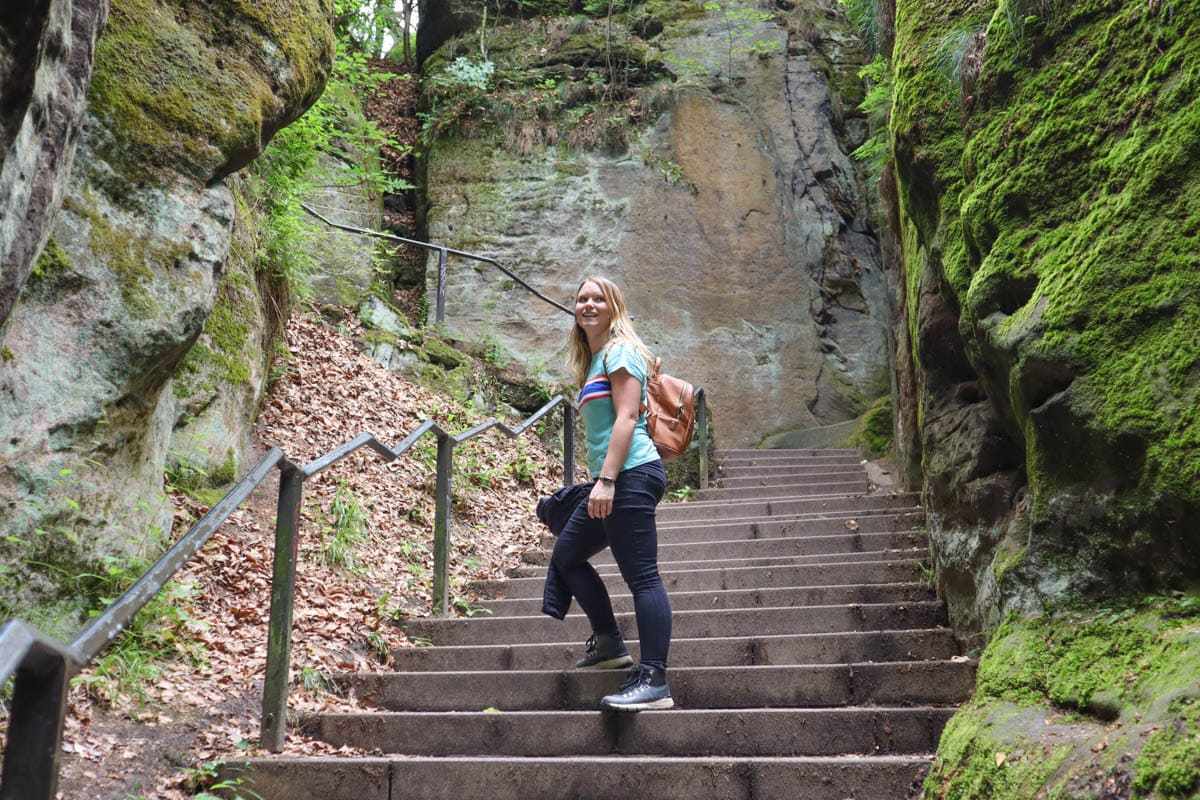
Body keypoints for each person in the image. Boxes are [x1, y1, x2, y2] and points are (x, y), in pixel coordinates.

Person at [550, 275, 674, 711]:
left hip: (631, 474)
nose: (588, 304)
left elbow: (625, 419)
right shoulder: (597, 356)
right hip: (618, 476)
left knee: (642, 576)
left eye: (598, 298)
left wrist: (605, 480)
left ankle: (655, 680)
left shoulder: (620, 350)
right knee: (566, 556)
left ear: (614, 306)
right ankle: (608, 644)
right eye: (581, 298)